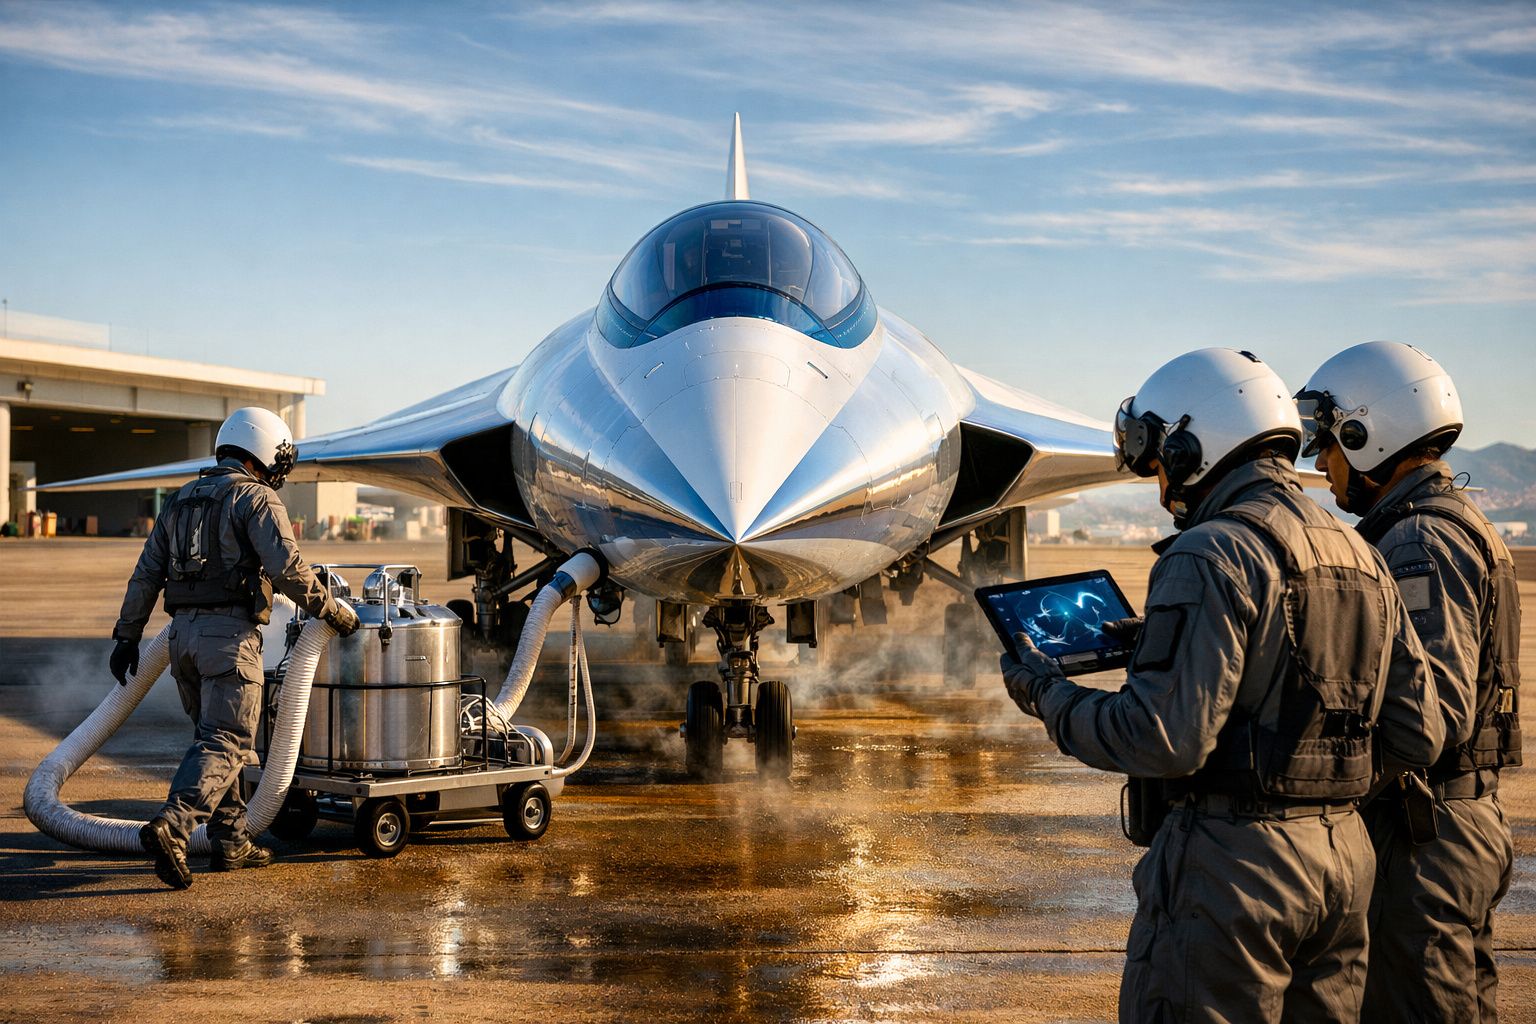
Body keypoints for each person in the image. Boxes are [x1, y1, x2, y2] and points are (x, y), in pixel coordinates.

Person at [999, 348, 1442, 1023]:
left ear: (1192, 447)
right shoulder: (1361, 550)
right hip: (1345, 864)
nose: (1160, 483)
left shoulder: (1210, 551)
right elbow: (1419, 732)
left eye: (1161, 459)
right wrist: (1316, 791)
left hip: (1234, 872)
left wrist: (1046, 696)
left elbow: (1159, 740)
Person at [1298, 341, 1520, 1021]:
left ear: (1370, 436)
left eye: (1331, 443)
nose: (1319, 462)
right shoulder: (1447, 524)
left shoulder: (1419, 541)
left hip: (1427, 837)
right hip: (1451, 822)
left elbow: (1429, 718)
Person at [109, 407, 359, 890]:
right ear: (262, 450)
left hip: (181, 639)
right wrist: (331, 610)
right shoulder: (255, 497)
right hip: (228, 640)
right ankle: (174, 826)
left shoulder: (180, 501)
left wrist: (127, 635)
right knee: (226, 742)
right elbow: (286, 567)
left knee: (216, 741)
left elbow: (146, 574)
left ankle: (230, 841)